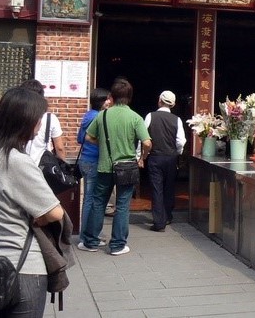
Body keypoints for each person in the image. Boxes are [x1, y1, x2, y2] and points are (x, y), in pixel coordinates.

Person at [0, 87, 64, 317]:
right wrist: (40, 218)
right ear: (25, 120)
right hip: (24, 268)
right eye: (38, 117)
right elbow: (55, 212)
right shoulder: (16, 161)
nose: (40, 124)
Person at [80, 78, 151, 256]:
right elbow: (147, 142)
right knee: (122, 205)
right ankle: (118, 245)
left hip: (105, 166)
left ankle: (91, 242)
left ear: (111, 96)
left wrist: (104, 145)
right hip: (127, 167)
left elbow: (88, 137)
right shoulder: (135, 117)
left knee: (98, 203)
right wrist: (142, 157)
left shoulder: (102, 115)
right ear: (130, 97)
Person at [144, 90, 185, 232]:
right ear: (172, 104)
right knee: (169, 188)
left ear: (159, 100)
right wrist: (177, 152)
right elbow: (180, 141)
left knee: (157, 189)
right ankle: (167, 216)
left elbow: (143, 137)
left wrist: (141, 156)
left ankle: (159, 222)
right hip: (171, 158)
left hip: (155, 157)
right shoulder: (177, 119)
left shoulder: (150, 116)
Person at [77, 88, 110, 247]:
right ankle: (87, 236)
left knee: (88, 199)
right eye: (107, 99)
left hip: (85, 159)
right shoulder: (98, 117)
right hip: (94, 160)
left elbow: (80, 139)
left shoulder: (87, 115)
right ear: (101, 101)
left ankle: (89, 234)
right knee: (91, 199)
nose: (109, 102)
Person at [20, 79, 66, 164]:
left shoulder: (16, 115)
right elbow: (59, 148)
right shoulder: (50, 118)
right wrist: (62, 166)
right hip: (43, 166)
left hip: (20, 163)